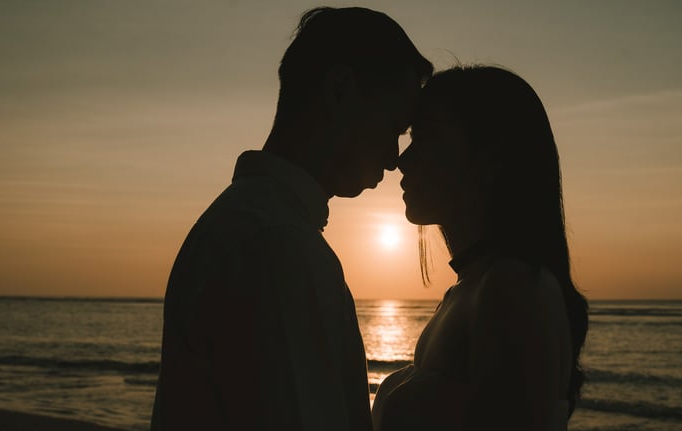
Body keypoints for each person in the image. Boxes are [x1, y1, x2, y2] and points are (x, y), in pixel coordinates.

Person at [150, 6, 433, 431]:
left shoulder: (246, 221)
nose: (394, 158)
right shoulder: (278, 244)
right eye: (393, 127)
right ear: (339, 91)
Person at [371, 65, 589, 431]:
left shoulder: (512, 287)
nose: (402, 161)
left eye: (425, 138)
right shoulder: (472, 288)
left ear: (489, 158)